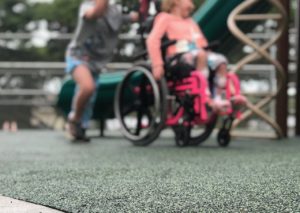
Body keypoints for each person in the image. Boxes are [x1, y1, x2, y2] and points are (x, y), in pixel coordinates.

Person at [146, 0, 245, 111]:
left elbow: (202, 43)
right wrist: (157, 64)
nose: (191, 5)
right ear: (176, 2)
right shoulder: (165, 18)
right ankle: (206, 97)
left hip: (198, 54)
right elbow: (152, 40)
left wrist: (208, 53)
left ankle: (221, 97)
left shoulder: (190, 22)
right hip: (178, 57)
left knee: (221, 60)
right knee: (201, 55)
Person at [65, 0, 138, 141]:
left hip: (97, 63)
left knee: (90, 97)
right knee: (87, 87)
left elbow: (136, 17)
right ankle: (74, 120)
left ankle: (81, 126)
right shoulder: (86, 6)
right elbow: (96, 13)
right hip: (78, 56)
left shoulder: (115, 11)